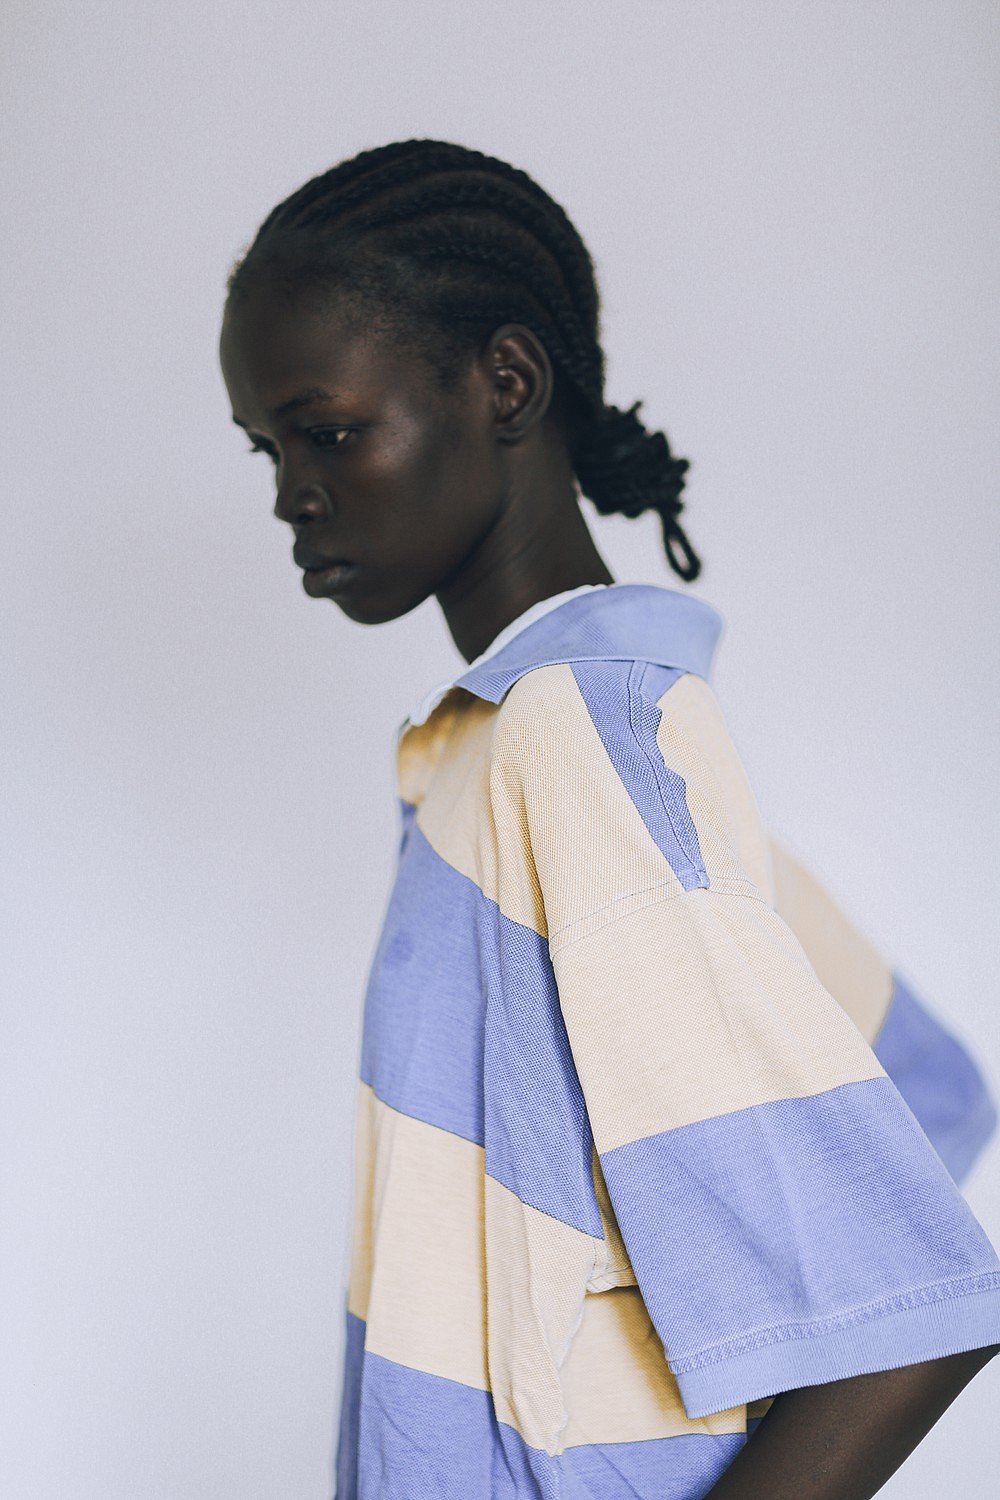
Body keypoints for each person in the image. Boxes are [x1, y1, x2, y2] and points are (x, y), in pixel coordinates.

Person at [218, 138, 1000, 1500]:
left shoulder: (578, 737)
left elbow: (905, 1329)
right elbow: (923, 1087)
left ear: (506, 384)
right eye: (266, 448)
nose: (291, 492)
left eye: (326, 430)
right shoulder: (518, 744)